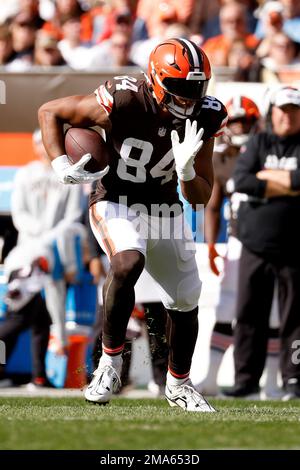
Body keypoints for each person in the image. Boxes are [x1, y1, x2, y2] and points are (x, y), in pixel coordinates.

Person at [38, 37, 228, 412]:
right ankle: (109, 365)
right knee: (128, 261)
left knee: (187, 296)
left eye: (196, 87)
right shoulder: (124, 98)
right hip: (116, 200)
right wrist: (59, 162)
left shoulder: (206, 115)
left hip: (165, 206)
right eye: (180, 87)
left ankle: (179, 384)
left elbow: (200, 196)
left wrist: (187, 170)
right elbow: (50, 111)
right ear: (156, 80)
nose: (189, 98)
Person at [200, 95, 280, 398]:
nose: (240, 126)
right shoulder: (221, 157)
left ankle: (272, 383)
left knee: (273, 312)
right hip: (237, 240)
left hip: (273, 238)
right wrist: (211, 244)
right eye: (234, 121)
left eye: (244, 120)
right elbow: (212, 205)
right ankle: (209, 379)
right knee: (226, 307)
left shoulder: (270, 149)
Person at [226, 85, 300, 400]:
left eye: (295, 111)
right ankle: (245, 381)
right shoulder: (259, 141)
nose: (288, 116)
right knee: (247, 315)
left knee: (296, 318)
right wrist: (288, 184)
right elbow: (240, 181)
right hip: (254, 243)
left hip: (296, 247)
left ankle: (295, 381)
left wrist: (266, 178)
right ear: (273, 113)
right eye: (283, 110)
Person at [11, 129, 85, 356]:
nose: (43, 147)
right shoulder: (25, 174)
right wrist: (40, 232)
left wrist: (51, 238)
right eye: (39, 143)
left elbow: (74, 215)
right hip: (28, 251)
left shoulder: (70, 175)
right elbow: (18, 213)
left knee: (55, 302)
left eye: (47, 142)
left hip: (58, 251)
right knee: (20, 310)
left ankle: (54, 352)